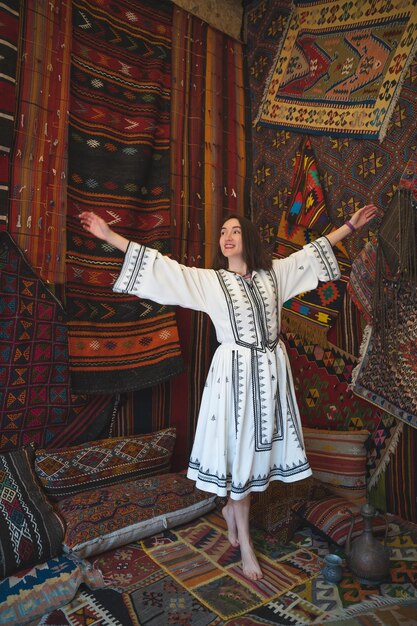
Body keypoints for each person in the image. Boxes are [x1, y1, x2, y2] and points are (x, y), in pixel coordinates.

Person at [79, 204, 377, 581]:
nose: (227, 236)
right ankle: (245, 543)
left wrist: (349, 225)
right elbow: (164, 268)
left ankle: (230, 515)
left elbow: (311, 254)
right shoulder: (212, 282)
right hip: (233, 381)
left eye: (234, 230)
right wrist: (110, 236)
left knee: (256, 459)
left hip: (270, 377)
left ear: (247, 238)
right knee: (240, 459)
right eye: (223, 232)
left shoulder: (274, 275)